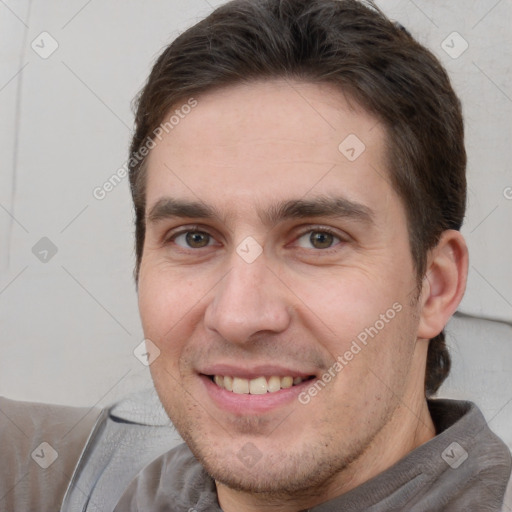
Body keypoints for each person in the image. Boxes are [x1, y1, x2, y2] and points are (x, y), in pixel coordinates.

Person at [1, 0, 511, 511]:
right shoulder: (64, 482)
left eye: (318, 239)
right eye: (194, 238)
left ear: (434, 286)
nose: (238, 316)